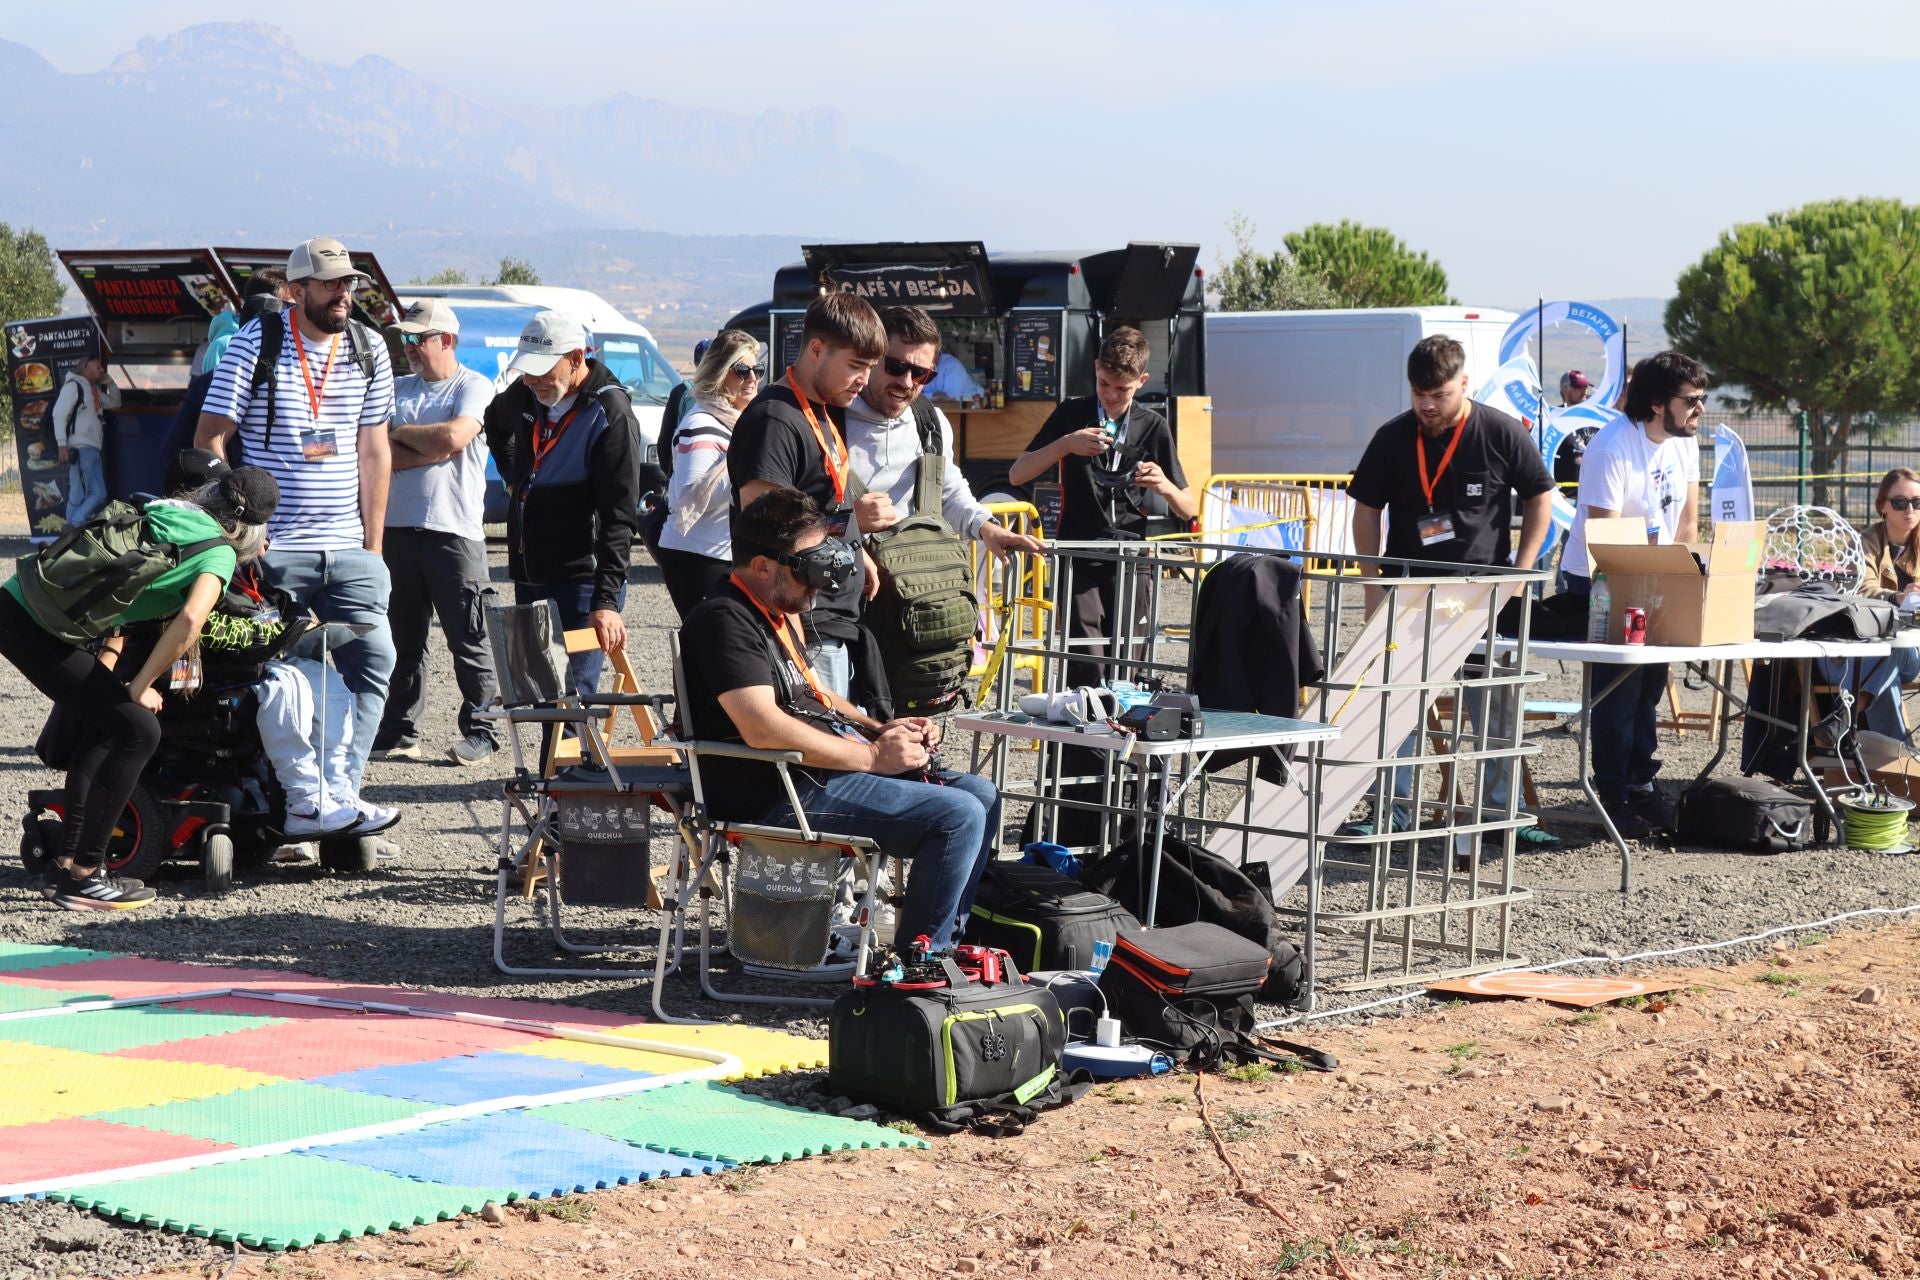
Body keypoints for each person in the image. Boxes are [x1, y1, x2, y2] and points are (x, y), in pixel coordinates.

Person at [680, 486, 1001, 952]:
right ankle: (920, 964)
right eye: (805, 572)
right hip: (773, 792)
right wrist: (871, 757)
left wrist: (881, 728)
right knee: (957, 815)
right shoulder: (723, 620)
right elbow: (762, 726)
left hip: (813, 771)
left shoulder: (775, 608)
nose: (814, 589)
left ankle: (944, 943)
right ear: (763, 565)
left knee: (981, 793)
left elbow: (816, 692)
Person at [0, 467, 278, 910]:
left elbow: (121, 590)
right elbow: (191, 620)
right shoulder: (219, 553)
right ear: (252, 529)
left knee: (106, 727)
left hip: (17, 603)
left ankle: (68, 863)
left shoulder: (167, 509)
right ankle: (87, 876)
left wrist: (113, 670)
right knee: (139, 730)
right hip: (38, 631)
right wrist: (139, 685)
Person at [195, 235, 398, 794]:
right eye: (330, 283)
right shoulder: (253, 343)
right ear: (295, 290)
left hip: (351, 549)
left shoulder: (368, 347)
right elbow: (211, 439)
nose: (343, 294)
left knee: (374, 663)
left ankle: (340, 795)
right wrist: (243, 531)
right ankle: (283, 799)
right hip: (275, 551)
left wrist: (373, 545)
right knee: (274, 675)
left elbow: (374, 449)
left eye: (349, 283)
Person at [1345, 335, 1560, 850]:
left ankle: (1499, 814)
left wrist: (1521, 573)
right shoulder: (1393, 437)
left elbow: (1540, 497)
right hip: (1410, 595)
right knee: (1396, 705)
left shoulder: (1501, 432)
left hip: (1484, 596)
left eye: (1438, 394)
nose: (1426, 405)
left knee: (1496, 707)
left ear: (1464, 383)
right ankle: (1393, 810)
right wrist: (1373, 584)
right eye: (1419, 394)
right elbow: (1366, 510)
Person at [156, 448, 398, 850]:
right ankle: (303, 801)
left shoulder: (234, 546)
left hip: (244, 660)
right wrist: (265, 638)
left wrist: (297, 622)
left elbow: (266, 599)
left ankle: (335, 793)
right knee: (286, 682)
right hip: (197, 669)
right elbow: (198, 623)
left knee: (329, 680)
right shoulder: (186, 546)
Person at [1558, 350, 1707, 837]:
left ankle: (1642, 785)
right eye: (1692, 400)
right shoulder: (1612, 446)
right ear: (1659, 402)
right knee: (1619, 690)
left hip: (1657, 575)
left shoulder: (1685, 443)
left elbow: (1688, 520)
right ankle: (1614, 793)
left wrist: (1679, 575)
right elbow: (1606, 536)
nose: (1699, 409)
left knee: (1648, 689)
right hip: (1602, 578)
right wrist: (1655, 571)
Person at [1008, 326, 1195, 688]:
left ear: (1141, 381)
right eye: (1103, 383)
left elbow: (1188, 508)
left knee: (1127, 663)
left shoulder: (1153, 425)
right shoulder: (1072, 414)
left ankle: (1122, 738)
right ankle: (1082, 742)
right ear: (1095, 369)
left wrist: (1163, 485)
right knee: (1086, 662)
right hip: (1078, 551)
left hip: (1131, 556)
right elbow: (1017, 475)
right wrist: (1066, 444)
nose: (1110, 395)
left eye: (1121, 389)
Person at [727, 293, 885, 703]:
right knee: (830, 749)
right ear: (817, 349)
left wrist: (856, 546)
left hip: (833, 618)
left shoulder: (822, 409)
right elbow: (767, 532)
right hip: (807, 623)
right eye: (855, 365)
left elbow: (821, 498)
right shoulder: (774, 420)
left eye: (869, 368)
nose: (864, 380)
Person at [481, 310, 641, 696]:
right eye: (527, 370)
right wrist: (515, 475)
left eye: (541, 369)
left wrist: (605, 601)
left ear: (575, 358)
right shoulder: (525, 392)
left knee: (571, 700)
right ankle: (568, 760)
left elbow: (619, 518)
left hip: (581, 582)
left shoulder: (611, 414)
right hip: (530, 573)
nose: (532, 379)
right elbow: (494, 418)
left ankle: (576, 760)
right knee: (538, 697)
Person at [375, 299, 502, 766]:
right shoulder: (394, 387)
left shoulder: (474, 386)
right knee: (402, 639)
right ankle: (400, 730)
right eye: (405, 338)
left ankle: (482, 731)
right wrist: (427, 444)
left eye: (417, 338)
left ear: (446, 340)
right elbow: (372, 451)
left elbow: (454, 439)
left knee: (468, 636)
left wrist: (405, 438)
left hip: (453, 532)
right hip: (396, 530)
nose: (408, 347)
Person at [845, 305, 1048, 561]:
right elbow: (792, 517)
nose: (907, 382)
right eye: (896, 367)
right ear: (872, 358)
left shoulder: (931, 423)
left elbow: (949, 492)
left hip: (912, 584)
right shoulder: (828, 420)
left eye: (921, 374)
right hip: (844, 588)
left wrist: (987, 527)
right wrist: (849, 521)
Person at [657, 330, 761, 619]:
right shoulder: (701, 423)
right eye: (742, 370)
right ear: (719, 373)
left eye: (758, 369)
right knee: (713, 643)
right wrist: (747, 464)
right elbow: (688, 496)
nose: (752, 378)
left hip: (720, 552)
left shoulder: (734, 421)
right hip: (699, 556)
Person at [1819, 466, 1920, 741]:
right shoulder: (1862, 544)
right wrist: (1899, 597)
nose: (1909, 509)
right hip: (1855, 651)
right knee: (1890, 659)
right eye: (1899, 502)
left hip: (1909, 652)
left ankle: (1849, 712)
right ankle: (1898, 765)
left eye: (1917, 502)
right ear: (1882, 506)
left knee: (1897, 646)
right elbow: (1859, 591)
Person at [52, 355, 120, 528]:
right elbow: (58, 414)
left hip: (93, 448)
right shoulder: (74, 386)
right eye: (98, 367)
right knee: (78, 492)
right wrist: (61, 444)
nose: (101, 370)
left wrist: (110, 383)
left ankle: (74, 525)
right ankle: (73, 527)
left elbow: (114, 402)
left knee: (99, 493)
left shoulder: (93, 390)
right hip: (80, 448)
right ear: (84, 368)